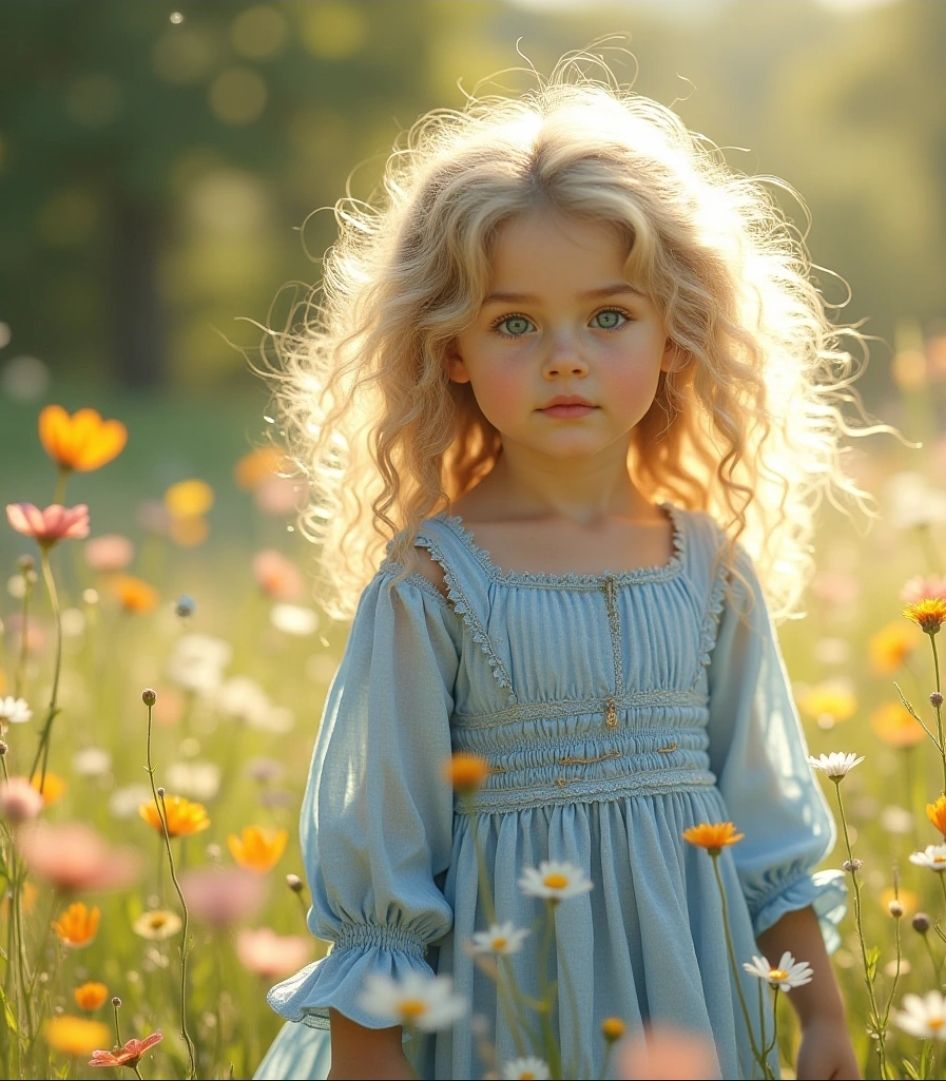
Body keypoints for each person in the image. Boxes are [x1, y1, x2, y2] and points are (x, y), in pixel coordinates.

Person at [254, 50, 866, 1081]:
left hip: (695, 1004)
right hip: (504, 1013)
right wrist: (369, 1055)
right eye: (516, 323)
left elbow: (768, 831)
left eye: (610, 316)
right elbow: (382, 854)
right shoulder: (433, 584)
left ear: (679, 336)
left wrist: (822, 1021)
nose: (566, 355)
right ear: (450, 348)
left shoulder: (708, 568)